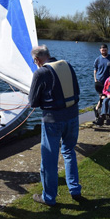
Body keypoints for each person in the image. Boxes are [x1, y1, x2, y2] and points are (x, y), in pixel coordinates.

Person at [28, 44, 84, 206]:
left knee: (49, 160)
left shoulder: (40, 72)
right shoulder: (67, 64)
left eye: (34, 62)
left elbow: (32, 102)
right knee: (68, 151)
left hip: (53, 121)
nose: (35, 64)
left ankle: (49, 197)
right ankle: (75, 189)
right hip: (73, 116)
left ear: (37, 59)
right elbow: (76, 91)